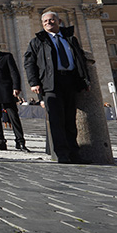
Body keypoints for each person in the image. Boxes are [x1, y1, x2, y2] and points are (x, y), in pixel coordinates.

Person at [24, 11, 90, 163]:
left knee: (70, 119)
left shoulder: (70, 39)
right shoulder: (37, 41)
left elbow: (80, 59)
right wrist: (33, 82)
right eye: (45, 21)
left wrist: (85, 81)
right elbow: (29, 63)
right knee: (56, 119)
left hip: (70, 81)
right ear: (42, 24)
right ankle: (62, 154)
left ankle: (74, 152)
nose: (48, 23)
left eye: (52, 20)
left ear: (59, 21)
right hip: (50, 83)